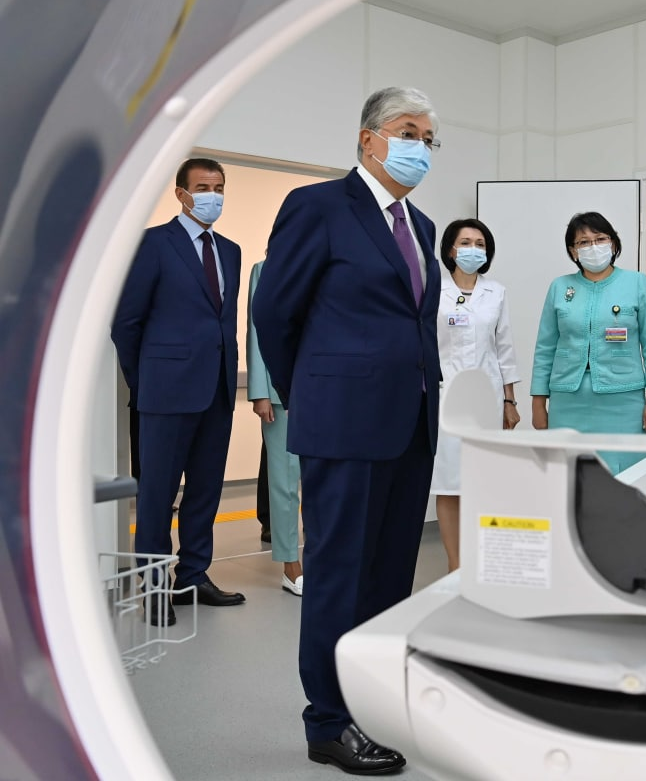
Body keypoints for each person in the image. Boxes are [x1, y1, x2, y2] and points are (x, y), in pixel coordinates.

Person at [252, 86, 442, 776]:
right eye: (408, 131)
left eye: (428, 138)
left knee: (390, 575)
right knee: (337, 573)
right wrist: (314, 392)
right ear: (369, 138)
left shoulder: (422, 227)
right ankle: (329, 723)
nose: (420, 146)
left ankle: (370, 702)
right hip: (343, 423)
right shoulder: (318, 207)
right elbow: (274, 313)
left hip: (410, 422)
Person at [110, 157, 246, 627]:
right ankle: (153, 587)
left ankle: (193, 578)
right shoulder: (153, 244)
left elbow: (223, 322)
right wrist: (145, 380)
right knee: (157, 495)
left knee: (205, 492)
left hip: (217, 390)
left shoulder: (230, 251)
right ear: (181, 194)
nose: (213, 196)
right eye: (203, 188)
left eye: (219, 187)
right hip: (165, 393)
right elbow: (126, 322)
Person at [531, 212, 646, 474]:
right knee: (568, 476)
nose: (593, 246)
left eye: (600, 239)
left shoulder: (637, 283)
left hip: (623, 401)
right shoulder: (560, 287)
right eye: (583, 242)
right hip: (567, 400)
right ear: (573, 251)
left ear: (613, 244)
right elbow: (545, 348)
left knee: (624, 476)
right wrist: (538, 403)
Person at [432, 218, 521, 572]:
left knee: (482, 483)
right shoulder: (433, 291)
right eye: (466, 242)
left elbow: (504, 349)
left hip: (487, 398)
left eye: (480, 244)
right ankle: (455, 565)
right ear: (451, 250)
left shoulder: (496, 292)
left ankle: (480, 562)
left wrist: (510, 401)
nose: (473, 249)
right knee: (449, 482)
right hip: (446, 397)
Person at [246, 253, 303, 596]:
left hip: (323, 390)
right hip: (280, 392)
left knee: (325, 483)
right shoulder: (264, 270)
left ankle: (324, 557)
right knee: (284, 484)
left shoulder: (329, 265)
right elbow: (256, 330)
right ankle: (290, 564)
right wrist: (259, 392)